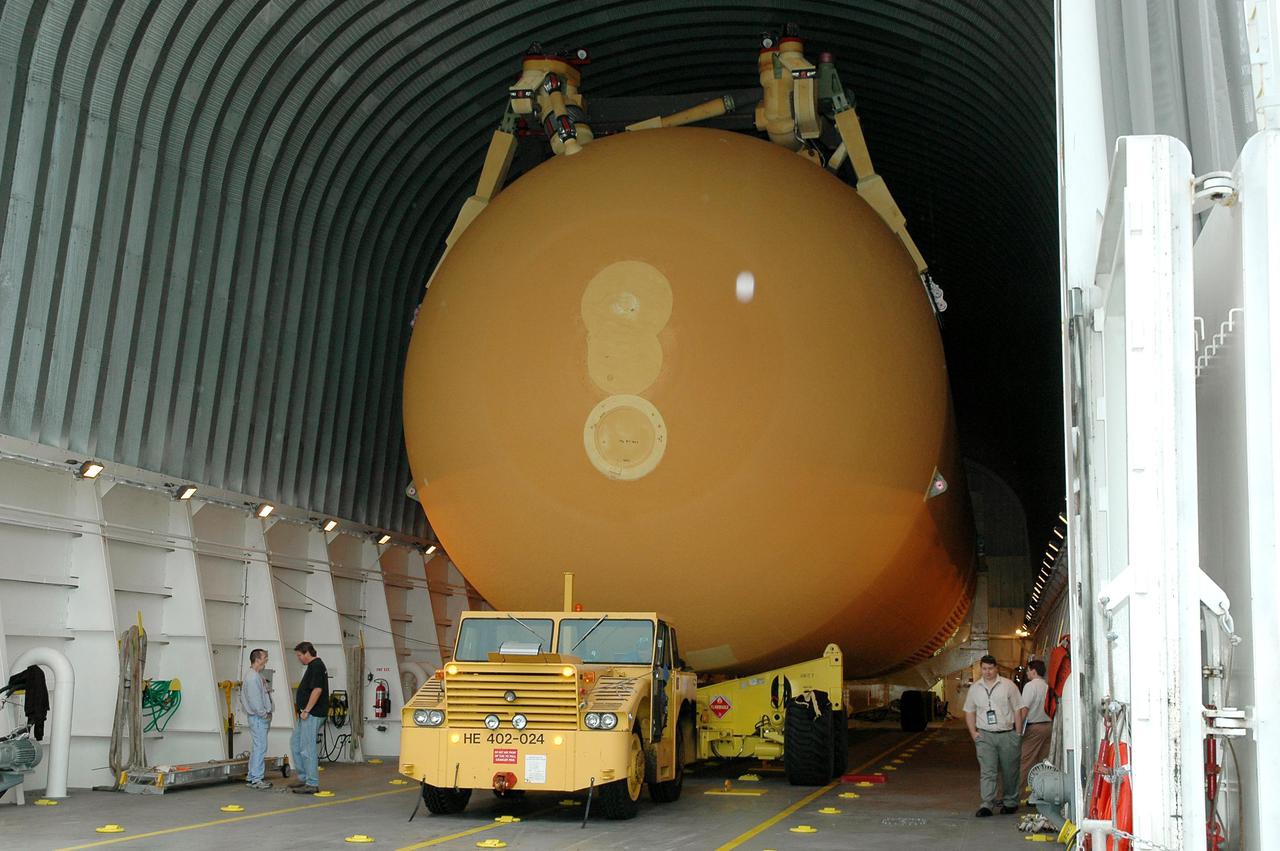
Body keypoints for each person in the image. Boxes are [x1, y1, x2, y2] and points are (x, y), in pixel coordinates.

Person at [964, 655, 1022, 817]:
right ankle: (987, 804)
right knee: (988, 771)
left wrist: (1018, 733)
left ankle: (1010, 802)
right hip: (985, 736)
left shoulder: (1008, 686)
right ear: (980, 669)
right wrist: (973, 733)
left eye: (990, 668)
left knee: (1010, 770)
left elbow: (1018, 709)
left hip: (1007, 734)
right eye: (984, 669)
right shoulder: (975, 688)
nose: (987, 672)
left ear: (996, 668)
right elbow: (969, 711)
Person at [289, 641, 329, 793]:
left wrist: (306, 710)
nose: (299, 658)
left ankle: (312, 783)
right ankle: (303, 777)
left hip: (311, 714)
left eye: (299, 655)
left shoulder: (317, 666)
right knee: (295, 743)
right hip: (305, 714)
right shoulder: (312, 666)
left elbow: (317, 690)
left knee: (307, 748)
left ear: (307, 653)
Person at [241, 648, 274, 790]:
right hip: (258, 718)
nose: (266, 659)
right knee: (260, 747)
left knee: (257, 747)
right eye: (264, 657)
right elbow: (255, 701)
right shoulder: (253, 677)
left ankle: (252, 776)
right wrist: (264, 714)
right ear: (257, 659)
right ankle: (256, 779)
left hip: (257, 718)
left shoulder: (255, 675)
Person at [1018, 659, 1052, 791]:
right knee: (1042, 762)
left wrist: (1018, 729)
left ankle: (1016, 793)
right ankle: (1041, 792)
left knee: (1025, 761)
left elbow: (1024, 709)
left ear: (1033, 671)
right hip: (1048, 726)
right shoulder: (1048, 686)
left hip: (1034, 728)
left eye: (1028, 670)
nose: (1027, 673)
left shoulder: (1030, 686)